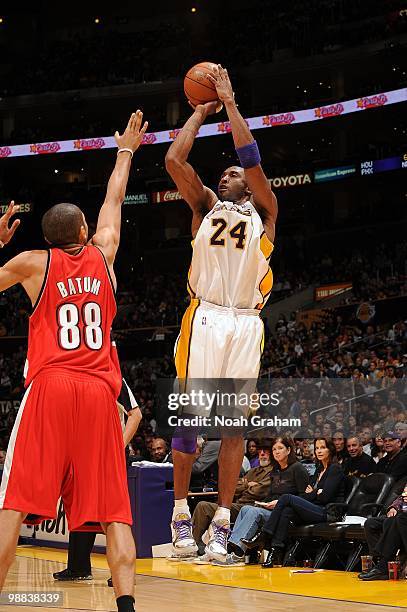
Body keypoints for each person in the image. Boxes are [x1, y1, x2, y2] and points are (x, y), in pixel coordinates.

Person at [0, 111, 148, 612]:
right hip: (99, 394)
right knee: (114, 512)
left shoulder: (32, 264)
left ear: (46, 238)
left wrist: (0, 244)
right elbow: (113, 197)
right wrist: (125, 149)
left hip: (51, 387)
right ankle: (126, 604)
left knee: (13, 506)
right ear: (84, 229)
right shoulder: (105, 253)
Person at [165, 64, 277, 562]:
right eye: (222, 172)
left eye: (232, 172)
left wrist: (231, 104)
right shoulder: (205, 206)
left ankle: (222, 528)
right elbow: (173, 160)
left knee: (234, 428)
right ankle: (181, 517)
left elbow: (250, 156)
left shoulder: (266, 210)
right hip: (206, 317)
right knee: (189, 421)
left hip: (245, 324)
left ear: (249, 186)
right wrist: (200, 112)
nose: (224, 174)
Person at [53, 377, 142, 585]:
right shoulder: (75, 379)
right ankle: (78, 566)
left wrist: (117, 448)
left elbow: (135, 416)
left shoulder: (114, 378)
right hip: (84, 455)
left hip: (110, 456)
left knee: (112, 515)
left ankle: (122, 572)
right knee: (82, 509)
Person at [249, 437, 345, 568]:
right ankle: (274, 553)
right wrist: (316, 492)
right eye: (317, 448)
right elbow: (309, 495)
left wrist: (314, 493)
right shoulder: (318, 470)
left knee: (286, 498)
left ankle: (265, 533)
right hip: (315, 508)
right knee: (286, 511)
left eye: (323, 447)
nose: (319, 451)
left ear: (330, 449)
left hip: (329, 512)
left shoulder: (334, 469)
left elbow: (325, 498)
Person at [213, 437, 309, 566]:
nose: (276, 452)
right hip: (273, 510)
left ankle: (238, 554)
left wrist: (279, 502)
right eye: (274, 449)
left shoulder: (298, 468)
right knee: (245, 508)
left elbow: (304, 498)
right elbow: (271, 495)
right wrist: (265, 503)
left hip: (288, 513)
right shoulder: (276, 470)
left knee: (253, 512)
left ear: (289, 450)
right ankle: (231, 548)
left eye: (280, 448)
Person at [190, 443, 274, 559]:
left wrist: (244, 485)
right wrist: (247, 485)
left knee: (246, 510)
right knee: (202, 506)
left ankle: (231, 551)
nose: (262, 454)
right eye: (260, 451)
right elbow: (233, 487)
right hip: (236, 504)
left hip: (252, 506)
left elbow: (258, 491)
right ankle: (196, 545)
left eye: (266, 451)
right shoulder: (253, 470)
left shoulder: (273, 472)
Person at [359, 481, 407, 581]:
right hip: (401, 514)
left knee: (395, 521)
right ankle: (380, 562)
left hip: (402, 517)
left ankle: (383, 566)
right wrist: (393, 507)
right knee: (371, 523)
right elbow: (401, 498)